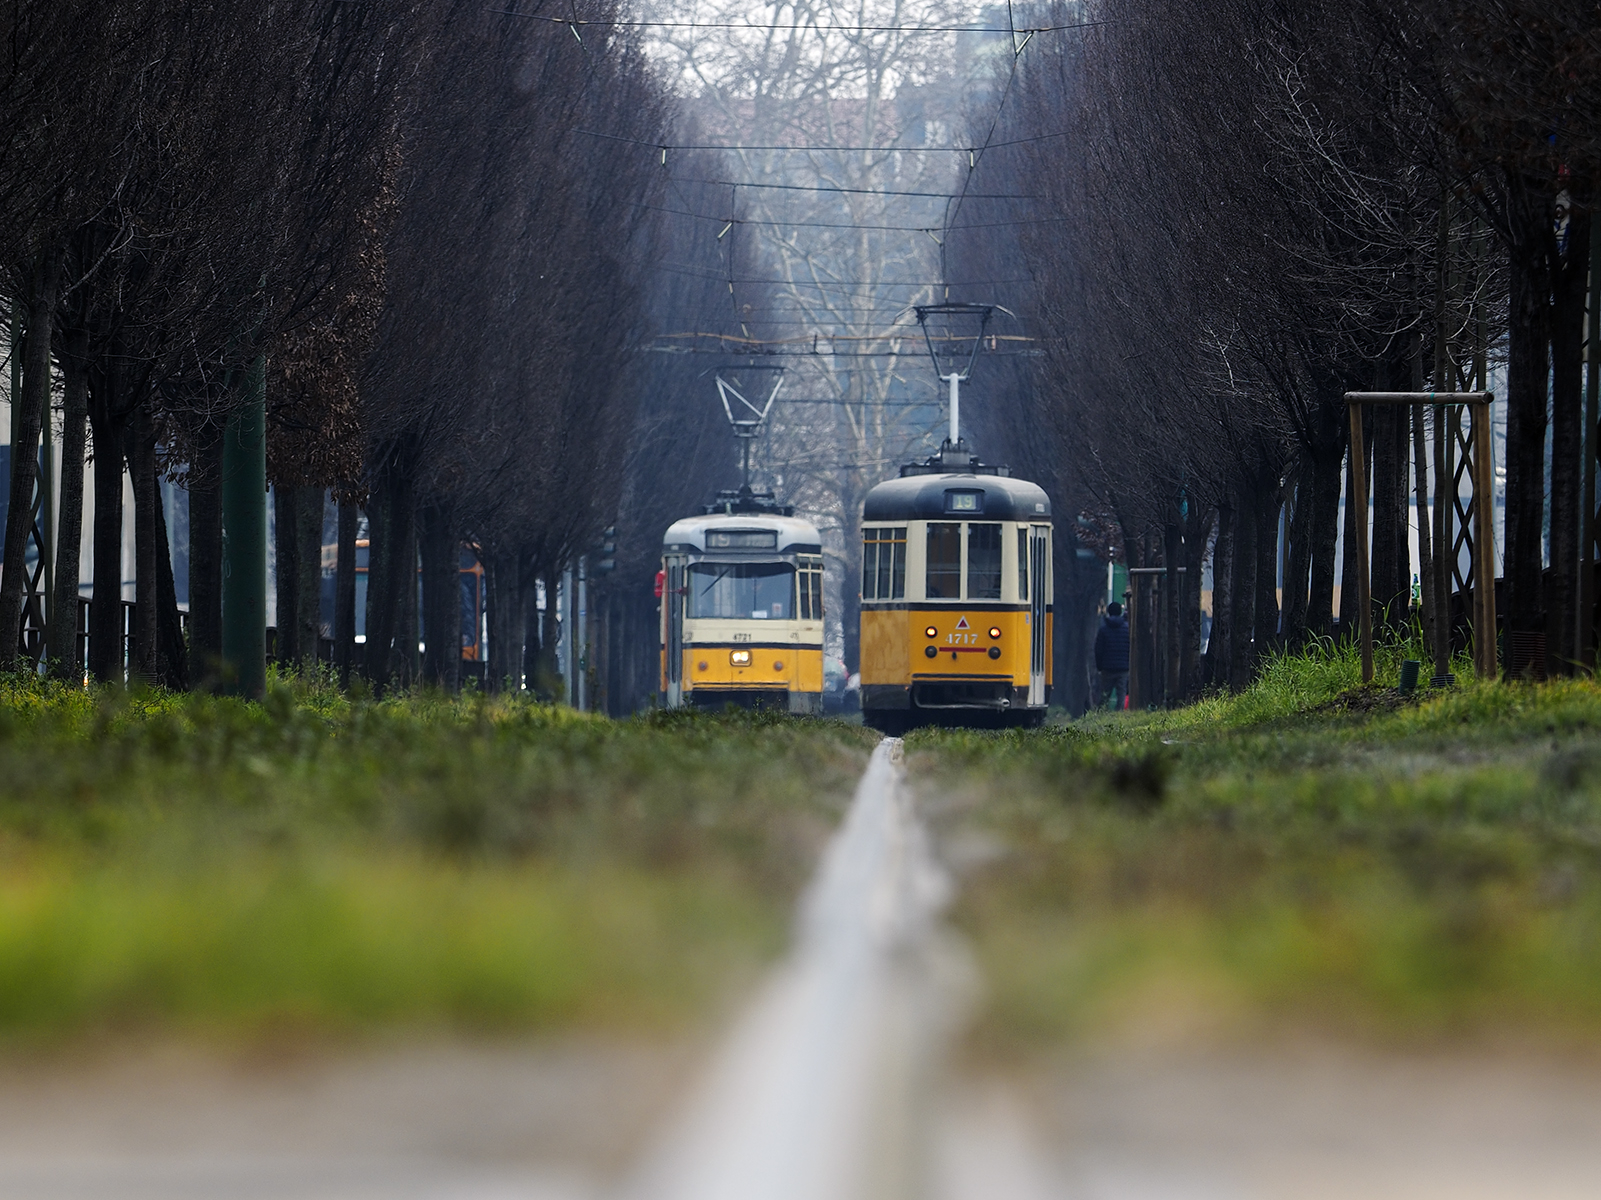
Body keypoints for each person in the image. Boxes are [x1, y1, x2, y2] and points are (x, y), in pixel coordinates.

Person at [1094, 601, 1130, 711]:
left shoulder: (1103, 629)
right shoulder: (1127, 628)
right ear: (1120, 612)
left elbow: (1098, 650)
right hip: (1123, 668)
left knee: (1105, 695)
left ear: (1109, 612)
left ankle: (1100, 715)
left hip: (1107, 668)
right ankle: (1118, 715)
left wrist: (1100, 666)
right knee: (1121, 695)